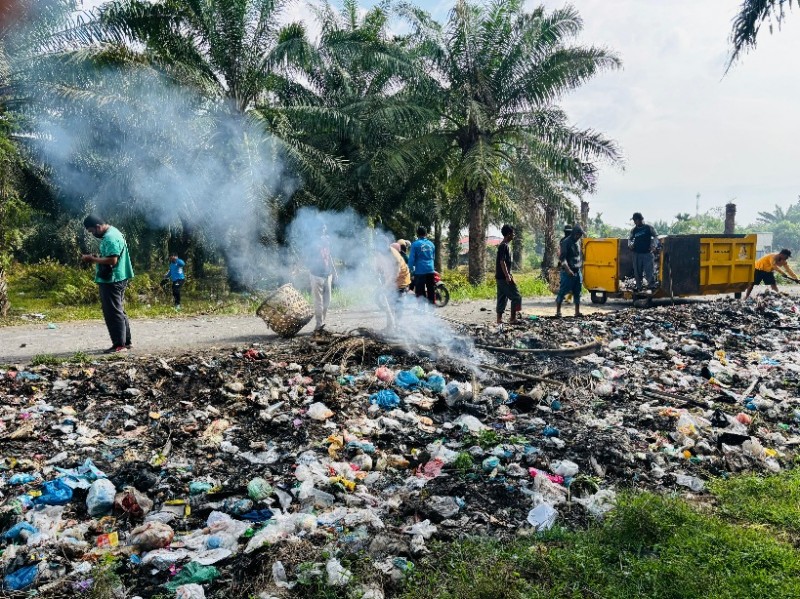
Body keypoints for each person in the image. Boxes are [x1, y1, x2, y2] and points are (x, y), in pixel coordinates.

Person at [81, 215, 134, 353]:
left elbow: (112, 260)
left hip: (113, 279)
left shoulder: (110, 237)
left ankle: (119, 345)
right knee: (119, 310)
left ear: (98, 227)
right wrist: (98, 258)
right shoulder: (114, 232)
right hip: (118, 276)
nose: (93, 234)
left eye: (92, 231)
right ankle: (126, 342)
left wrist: (92, 259)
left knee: (113, 312)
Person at [307, 223, 336, 332]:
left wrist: (334, 271)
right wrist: (297, 267)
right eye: (320, 229)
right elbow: (305, 256)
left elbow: (329, 256)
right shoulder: (311, 242)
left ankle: (322, 322)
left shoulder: (327, 240)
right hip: (315, 275)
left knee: (327, 301)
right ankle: (319, 324)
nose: (322, 231)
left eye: (324, 229)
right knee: (318, 301)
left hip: (327, 274)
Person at [555, 224, 584, 318]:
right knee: (562, 291)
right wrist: (568, 270)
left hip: (577, 270)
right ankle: (558, 312)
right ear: (574, 233)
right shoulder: (565, 242)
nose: (579, 236)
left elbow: (579, 256)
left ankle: (577, 312)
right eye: (578, 234)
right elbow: (562, 258)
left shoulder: (578, 242)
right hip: (568, 272)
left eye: (580, 235)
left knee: (577, 292)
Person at [496, 224, 522, 324]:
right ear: (508, 234)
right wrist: (507, 275)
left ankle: (499, 319)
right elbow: (502, 262)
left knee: (502, 297)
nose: (514, 235)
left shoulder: (503, 246)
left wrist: (509, 275)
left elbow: (504, 263)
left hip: (500, 277)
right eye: (512, 233)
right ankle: (513, 318)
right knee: (516, 297)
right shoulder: (504, 246)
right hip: (503, 277)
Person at [628, 212, 659, 291]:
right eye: (634, 220)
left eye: (635, 220)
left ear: (640, 219)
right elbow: (630, 239)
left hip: (647, 253)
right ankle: (639, 287)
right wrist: (630, 245)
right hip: (636, 254)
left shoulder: (648, 228)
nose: (634, 222)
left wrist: (654, 245)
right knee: (637, 271)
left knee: (649, 270)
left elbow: (655, 236)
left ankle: (651, 285)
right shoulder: (634, 230)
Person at [408, 226, 436, 305]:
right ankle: (431, 309)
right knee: (431, 289)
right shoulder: (431, 244)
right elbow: (433, 257)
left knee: (420, 290)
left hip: (420, 271)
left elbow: (411, 259)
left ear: (417, 234)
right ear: (426, 234)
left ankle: (421, 310)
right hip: (430, 269)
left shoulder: (415, 244)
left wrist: (411, 269)